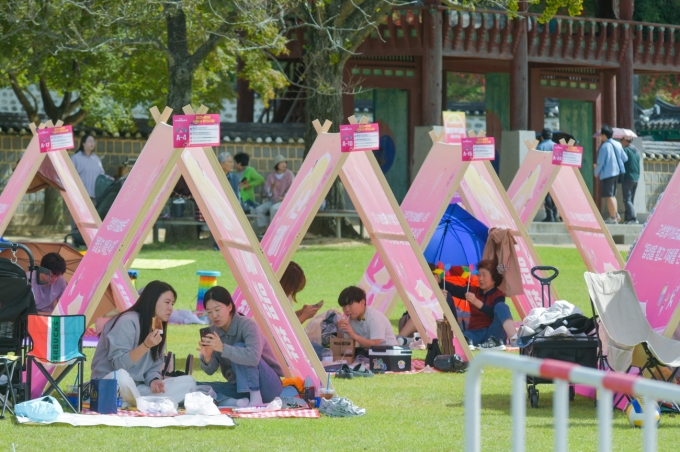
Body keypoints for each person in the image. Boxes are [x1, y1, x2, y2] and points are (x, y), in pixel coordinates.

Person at [91, 281, 196, 405]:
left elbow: (154, 367)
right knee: (122, 378)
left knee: (189, 382)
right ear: (152, 301)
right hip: (110, 384)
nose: (171, 308)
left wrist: (154, 381)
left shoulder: (157, 325)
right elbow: (119, 365)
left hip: (138, 388)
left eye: (172, 304)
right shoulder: (127, 321)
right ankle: (143, 402)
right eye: (167, 302)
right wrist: (146, 346)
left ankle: (136, 402)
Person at [197, 286, 284, 407]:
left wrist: (222, 348)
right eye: (209, 312)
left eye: (217, 309)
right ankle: (237, 402)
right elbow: (210, 371)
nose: (214, 315)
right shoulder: (213, 331)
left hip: (267, 386)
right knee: (198, 388)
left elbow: (253, 358)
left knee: (240, 347)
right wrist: (207, 357)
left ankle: (255, 399)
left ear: (230, 307)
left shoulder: (248, 325)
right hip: (239, 387)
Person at [443, 259, 516, 351]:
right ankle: (468, 343)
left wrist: (476, 302)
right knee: (461, 339)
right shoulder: (472, 290)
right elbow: (454, 289)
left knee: (501, 306)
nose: (480, 278)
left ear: (494, 278)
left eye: (484, 275)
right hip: (475, 333)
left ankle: (514, 339)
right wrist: (439, 281)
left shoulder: (499, 295)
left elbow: (492, 313)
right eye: (479, 275)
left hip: (493, 333)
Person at [594, 125, 627, 224]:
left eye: (601, 135)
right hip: (617, 173)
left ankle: (613, 218)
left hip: (608, 173)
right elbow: (625, 158)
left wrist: (596, 172)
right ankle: (615, 215)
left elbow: (600, 162)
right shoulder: (618, 144)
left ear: (604, 135)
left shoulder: (604, 146)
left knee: (609, 196)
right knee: (613, 195)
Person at [255, 154, 295, 233]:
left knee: (273, 209)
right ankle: (267, 229)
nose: (284, 164)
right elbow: (267, 191)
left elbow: (293, 189)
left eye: (285, 162)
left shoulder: (289, 175)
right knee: (258, 209)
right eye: (281, 163)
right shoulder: (271, 176)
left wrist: (283, 198)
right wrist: (273, 186)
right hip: (274, 200)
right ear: (276, 165)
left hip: (285, 200)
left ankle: (274, 230)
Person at [71, 133, 107, 204]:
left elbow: (101, 175)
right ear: (83, 143)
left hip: (94, 195)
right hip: (80, 196)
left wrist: (108, 178)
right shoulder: (75, 158)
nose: (92, 143)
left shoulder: (96, 159)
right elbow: (70, 175)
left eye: (93, 141)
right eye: (90, 141)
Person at [535, 128, 559, 222]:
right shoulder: (557, 147)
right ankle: (556, 215)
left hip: (544, 174)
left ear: (542, 137)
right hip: (556, 173)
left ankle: (550, 216)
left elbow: (537, 162)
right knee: (555, 195)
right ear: (551, 136)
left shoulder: (540, 147)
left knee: (547, 195)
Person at [621, 135, 640, 224]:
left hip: (628, 177)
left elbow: (621, 161)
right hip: (636, 178)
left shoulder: (626, 150)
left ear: (625, 140)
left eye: (621, 140)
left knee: (627, 199)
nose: (621, 141)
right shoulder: (636, 152)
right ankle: (628, 219)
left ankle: (633, 218)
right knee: (630, 200)